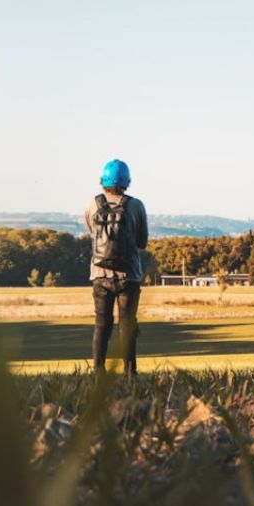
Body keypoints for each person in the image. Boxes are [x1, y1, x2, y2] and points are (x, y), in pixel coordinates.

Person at [84, 159, 148, 376]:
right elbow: (142, 242)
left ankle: (98, 371)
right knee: (127, 325)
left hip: (99, 275)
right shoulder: (136, 205)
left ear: (103, 181)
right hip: (129, 276)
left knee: (102, 324)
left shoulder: (93, 204)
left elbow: (92, 232)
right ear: (127, 182)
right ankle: (130, 373)